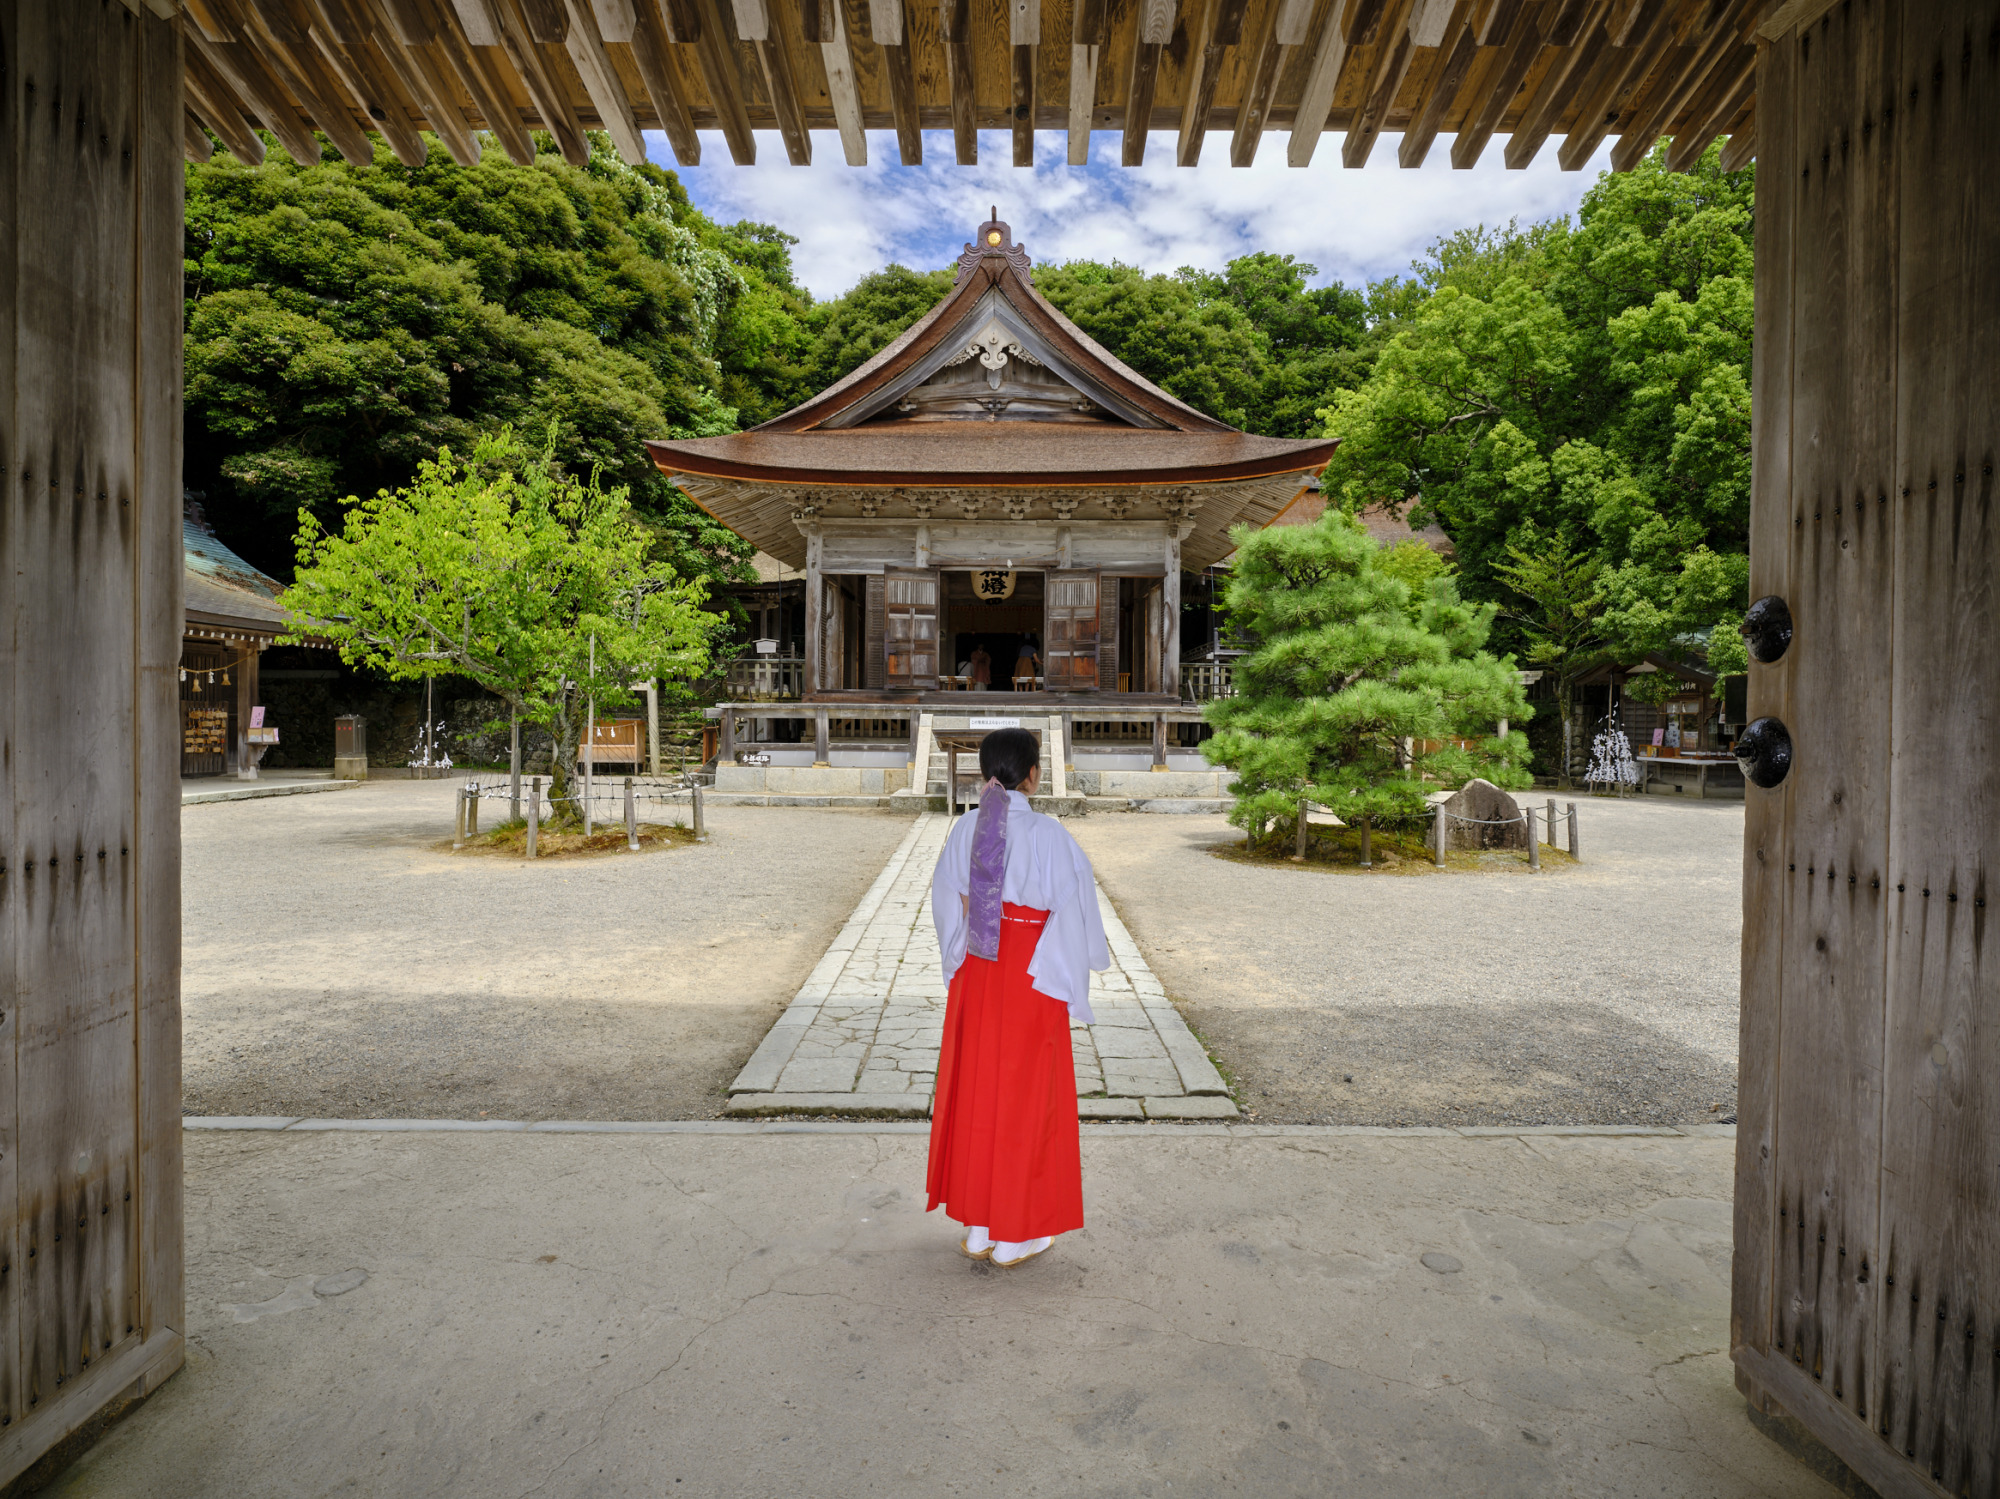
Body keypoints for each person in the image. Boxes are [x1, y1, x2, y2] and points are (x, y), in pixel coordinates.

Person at [927, 728, 1108, 1268]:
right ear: (1033, 775)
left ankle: (981, 1225)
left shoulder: (966, 827)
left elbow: (948, 900)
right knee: (1026, 1098)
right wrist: (1070, 975)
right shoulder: (1050, 835)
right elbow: (1074, 911)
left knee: (980, 1090)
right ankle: (1014, 1233)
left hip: (980, 971)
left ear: (986, 773)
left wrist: (964, 952)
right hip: (1033, 972)